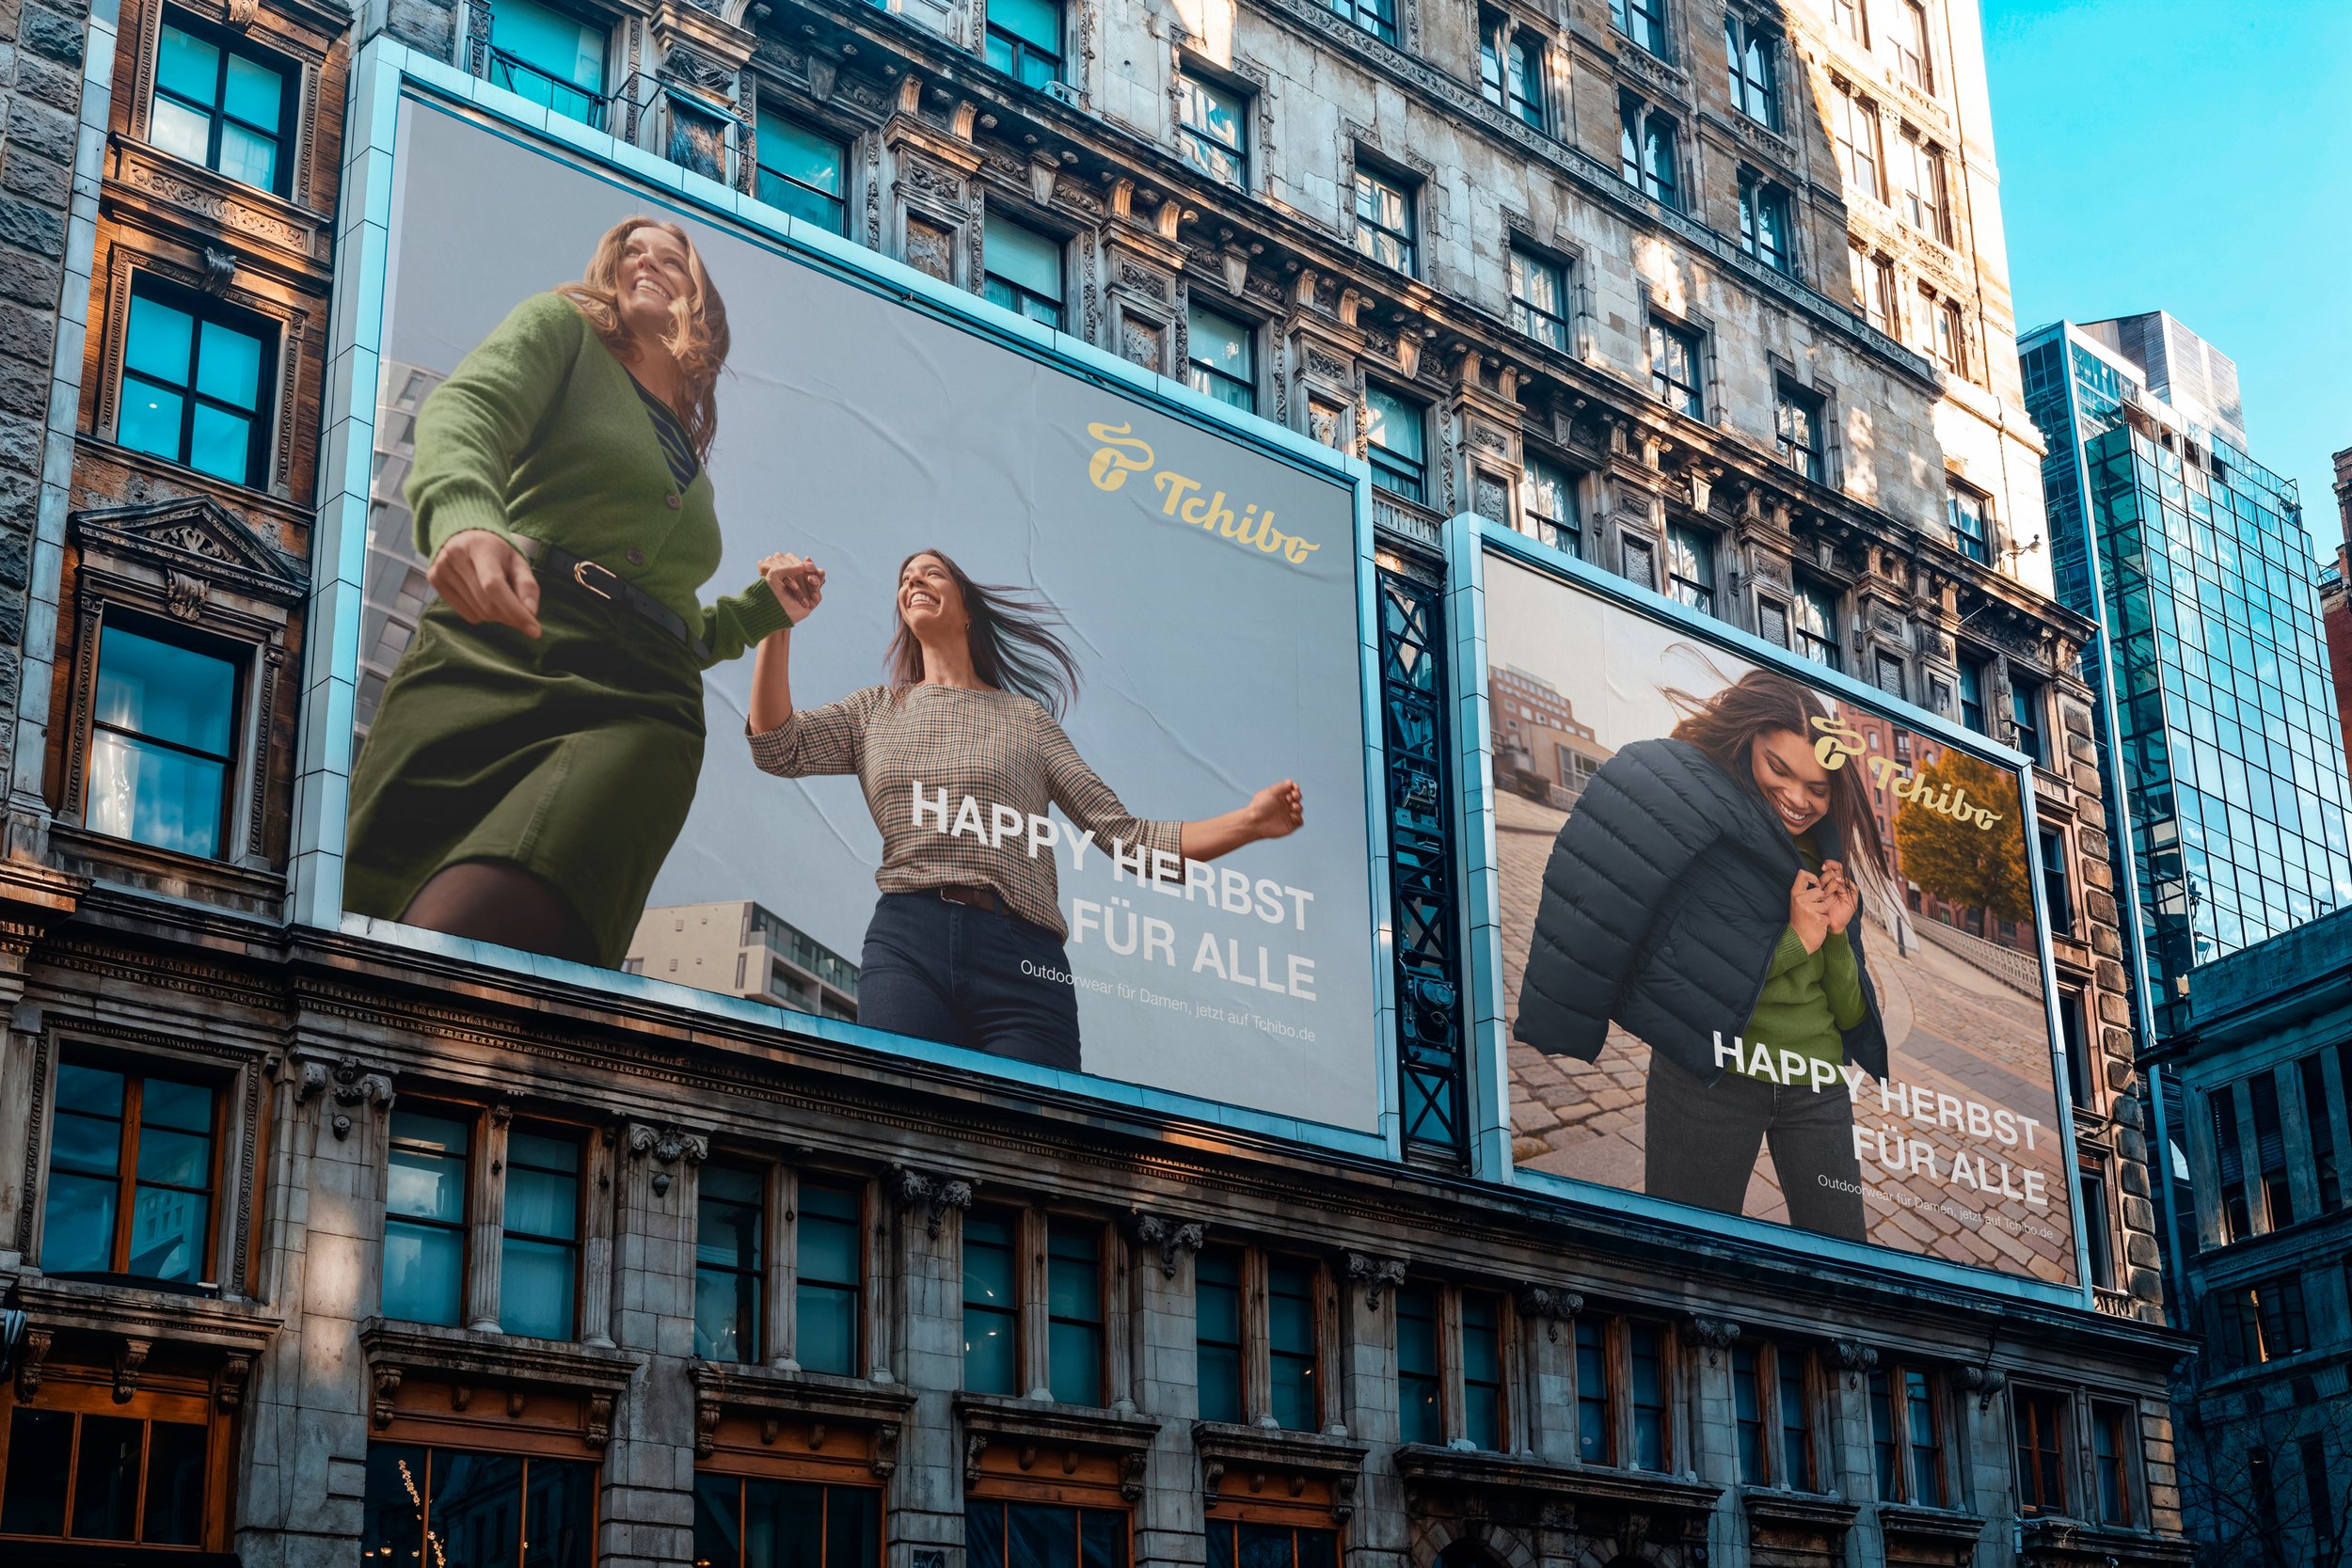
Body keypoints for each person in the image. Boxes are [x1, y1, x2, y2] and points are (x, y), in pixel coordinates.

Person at [345, 216, 798, 968]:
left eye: (670, 259)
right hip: (499, 646)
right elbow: (470, 410)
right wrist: (465, 519)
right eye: (630, 253)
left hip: (646, 706)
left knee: (481, 925)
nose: (646, 263)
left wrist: (762, 610)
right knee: (378, 927)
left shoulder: (690, 461)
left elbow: (680, 622)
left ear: (700, 300)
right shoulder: (561, 327)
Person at [744, 547, 1305, 1070]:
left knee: (1033, 1157)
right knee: (902, 1143)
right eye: (905, 579)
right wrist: (776, 620)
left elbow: (1127, 840)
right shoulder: (874, 711)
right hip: (909, 940)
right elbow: (777, 746)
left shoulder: (1027, 722)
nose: (914, 580)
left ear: (966, 609)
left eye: (931, 572)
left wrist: (1251, 822)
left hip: (1023, 959)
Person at [1513, 669, 1888, 1240]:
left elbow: (1849, 1011)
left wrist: (1834, 937)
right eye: (1778, 769)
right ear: (1745, 747)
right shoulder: (1707, 833)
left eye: (1817, 787)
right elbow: (1688, 972)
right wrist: (1794, 941)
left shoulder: (1827, 858)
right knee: (1687, 1257)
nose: (1797, 797)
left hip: (1817, 1083)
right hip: (1714, 1079)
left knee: (1849, 1256)